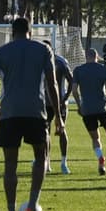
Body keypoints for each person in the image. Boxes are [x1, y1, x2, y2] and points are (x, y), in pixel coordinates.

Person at [0, 15, 65, 211]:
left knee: (10, 165)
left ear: (11, 31)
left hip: (10, 112)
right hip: (36, 111)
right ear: (31, 30)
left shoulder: (2, 52)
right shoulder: (43, 50)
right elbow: (52, 84)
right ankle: (33, 206)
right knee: (41, 157)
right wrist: (59, 117)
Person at [71, 46, 106, 175]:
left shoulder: (78, 70)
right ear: (97, 57)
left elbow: (74, 90)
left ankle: (100, 157)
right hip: (102, 107)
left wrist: (79, 105)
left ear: (86, 57)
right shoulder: (104, 69)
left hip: (88, 109)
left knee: (95, 138)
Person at [47, 43, 75, 174]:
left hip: (60, 102)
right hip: (45, 103)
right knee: (44, 132)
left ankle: (64, 162)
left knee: (61, 131)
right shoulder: (38, 61)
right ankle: (45, 161)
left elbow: (71, 80)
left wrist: (65, 98)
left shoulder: (60, 62)